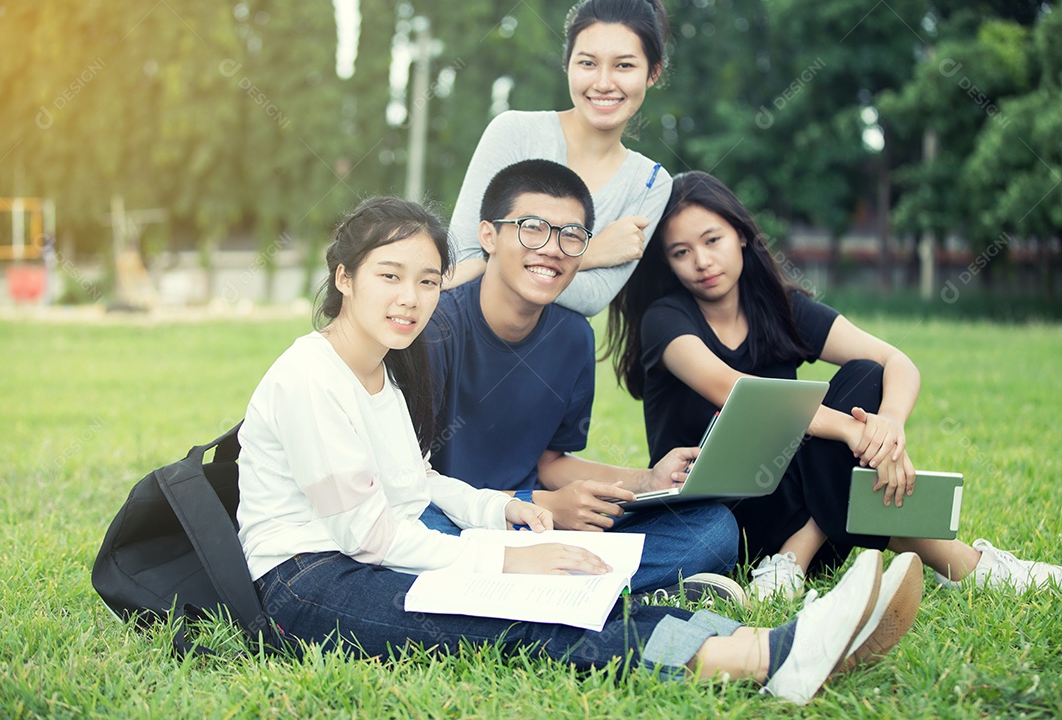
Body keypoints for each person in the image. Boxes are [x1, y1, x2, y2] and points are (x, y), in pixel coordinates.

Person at [235, 194, 922, 705]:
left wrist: (501, 512)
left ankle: (770, 643)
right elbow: (372, 535)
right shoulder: (308, 375)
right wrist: (514, 559)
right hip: (306, 584)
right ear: (345, 278)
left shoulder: (379, 372)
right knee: (526, 615)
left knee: (568, 592)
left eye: (426, 280)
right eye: (390, 276)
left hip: (365, 558)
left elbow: (416, 485)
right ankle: (757, 658)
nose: (411, 299)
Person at [604, 170, 1062, 602]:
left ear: (741, 234)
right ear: (667, 261)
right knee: (848, 475)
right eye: (681, 252)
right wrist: (849, 429)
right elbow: (735, 390)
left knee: (865, 374)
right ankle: (972, 566)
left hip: (795, 507)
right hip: (718, 519)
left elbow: (896, 361)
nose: (702, 262)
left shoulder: (782, 308)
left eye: (712, 240)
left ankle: (792, 559)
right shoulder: (665, 319)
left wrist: (888, 425)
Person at [428, 159, 741, 603]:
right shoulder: (436, 328)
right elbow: (406, 485)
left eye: (571, 236)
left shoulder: (574, 337)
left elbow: (551, 463)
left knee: (712, 530)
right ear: (488, 236)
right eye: (532, 228)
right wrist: (540, 505)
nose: (552, 249)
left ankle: (547, 582)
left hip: (534, 525)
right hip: (451, 518)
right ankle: (603, 587)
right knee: (418, 523)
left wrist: (647, 480)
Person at [444, 0, 674, 317]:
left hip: (555, 352)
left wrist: (506, 260)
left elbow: (593, 298)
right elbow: (461, 262)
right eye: (588, 63)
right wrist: (591, 253)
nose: (604, 83)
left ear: (653, 72)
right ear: (567, 65)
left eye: (624, 66)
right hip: (469, 333)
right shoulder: (515, 132)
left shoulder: (650, 182)